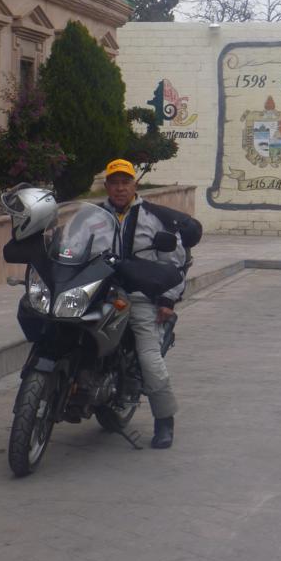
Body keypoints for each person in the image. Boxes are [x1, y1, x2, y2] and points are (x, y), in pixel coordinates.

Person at [101, 158, 185, 449]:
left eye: (125, 182)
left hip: (139, 298)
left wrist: (167, 299)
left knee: (149, 358)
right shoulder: (94, 217)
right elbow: (71, 249)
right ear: (106, 186)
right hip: (100, 295)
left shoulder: (154, 218)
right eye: (114, 182)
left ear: (134, 184)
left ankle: (164, 421)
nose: (120, 188)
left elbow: (174, 265)